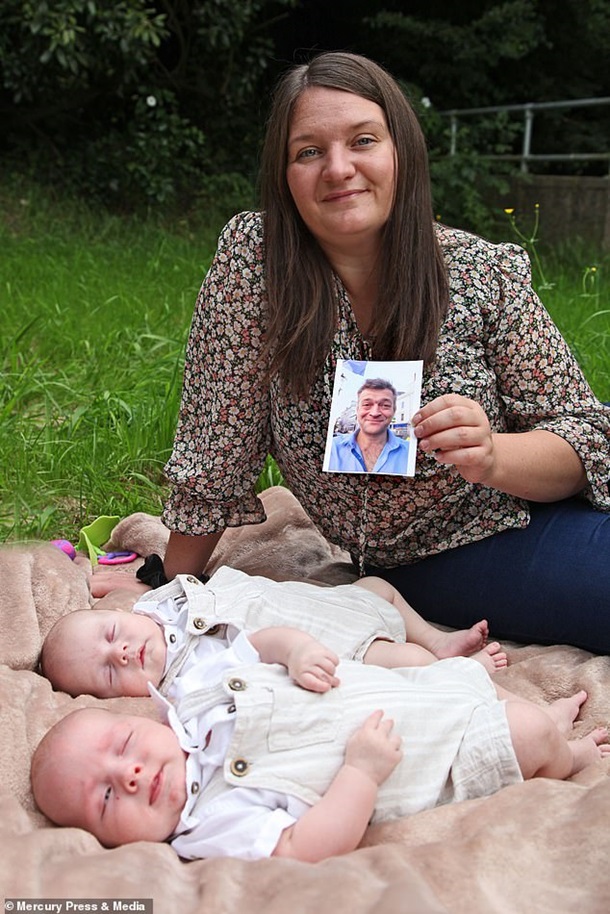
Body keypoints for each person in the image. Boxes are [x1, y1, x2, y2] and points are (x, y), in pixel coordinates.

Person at [160, 50, 610, 654]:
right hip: (448, 554)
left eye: (363, 141)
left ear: (402, 152)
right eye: (308, 151)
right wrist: (171, 596)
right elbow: (218, 448)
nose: (338, 168)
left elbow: (585, 436)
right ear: (284, 174)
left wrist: (492, 455)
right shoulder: (257, 264)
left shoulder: (479, 272)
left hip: (531, 502)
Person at [31, 627, 610, 862]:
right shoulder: (209, 824)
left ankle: (547, 722)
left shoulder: (194, 697)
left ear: (147, 721)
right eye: (106, 798)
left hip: (405, 691)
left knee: (468, 683)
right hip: (422, 754)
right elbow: (303, 847)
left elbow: (256, 644)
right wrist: (361, 775)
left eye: (124, 744)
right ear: (106, 841)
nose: (129, 774)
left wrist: (296, 650)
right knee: (527, 734)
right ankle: (570, 756)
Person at [40, 565, 507, 700]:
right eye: (108, 672)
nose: (121, 652)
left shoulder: (158, 605)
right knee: (408, 666)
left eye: (112, 633)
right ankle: (457, 670)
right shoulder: (187, 682)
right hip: (336, 645)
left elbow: (153, 583)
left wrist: (114, 582)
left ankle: (436, 639)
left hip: (329, 603)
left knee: (378, 589)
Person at [328, 379, 410, 473]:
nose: (375, 413)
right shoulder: (331, 448)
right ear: (357, 410)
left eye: (385, 405)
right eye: (367, 404)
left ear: (394, 411)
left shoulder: (411, 453)